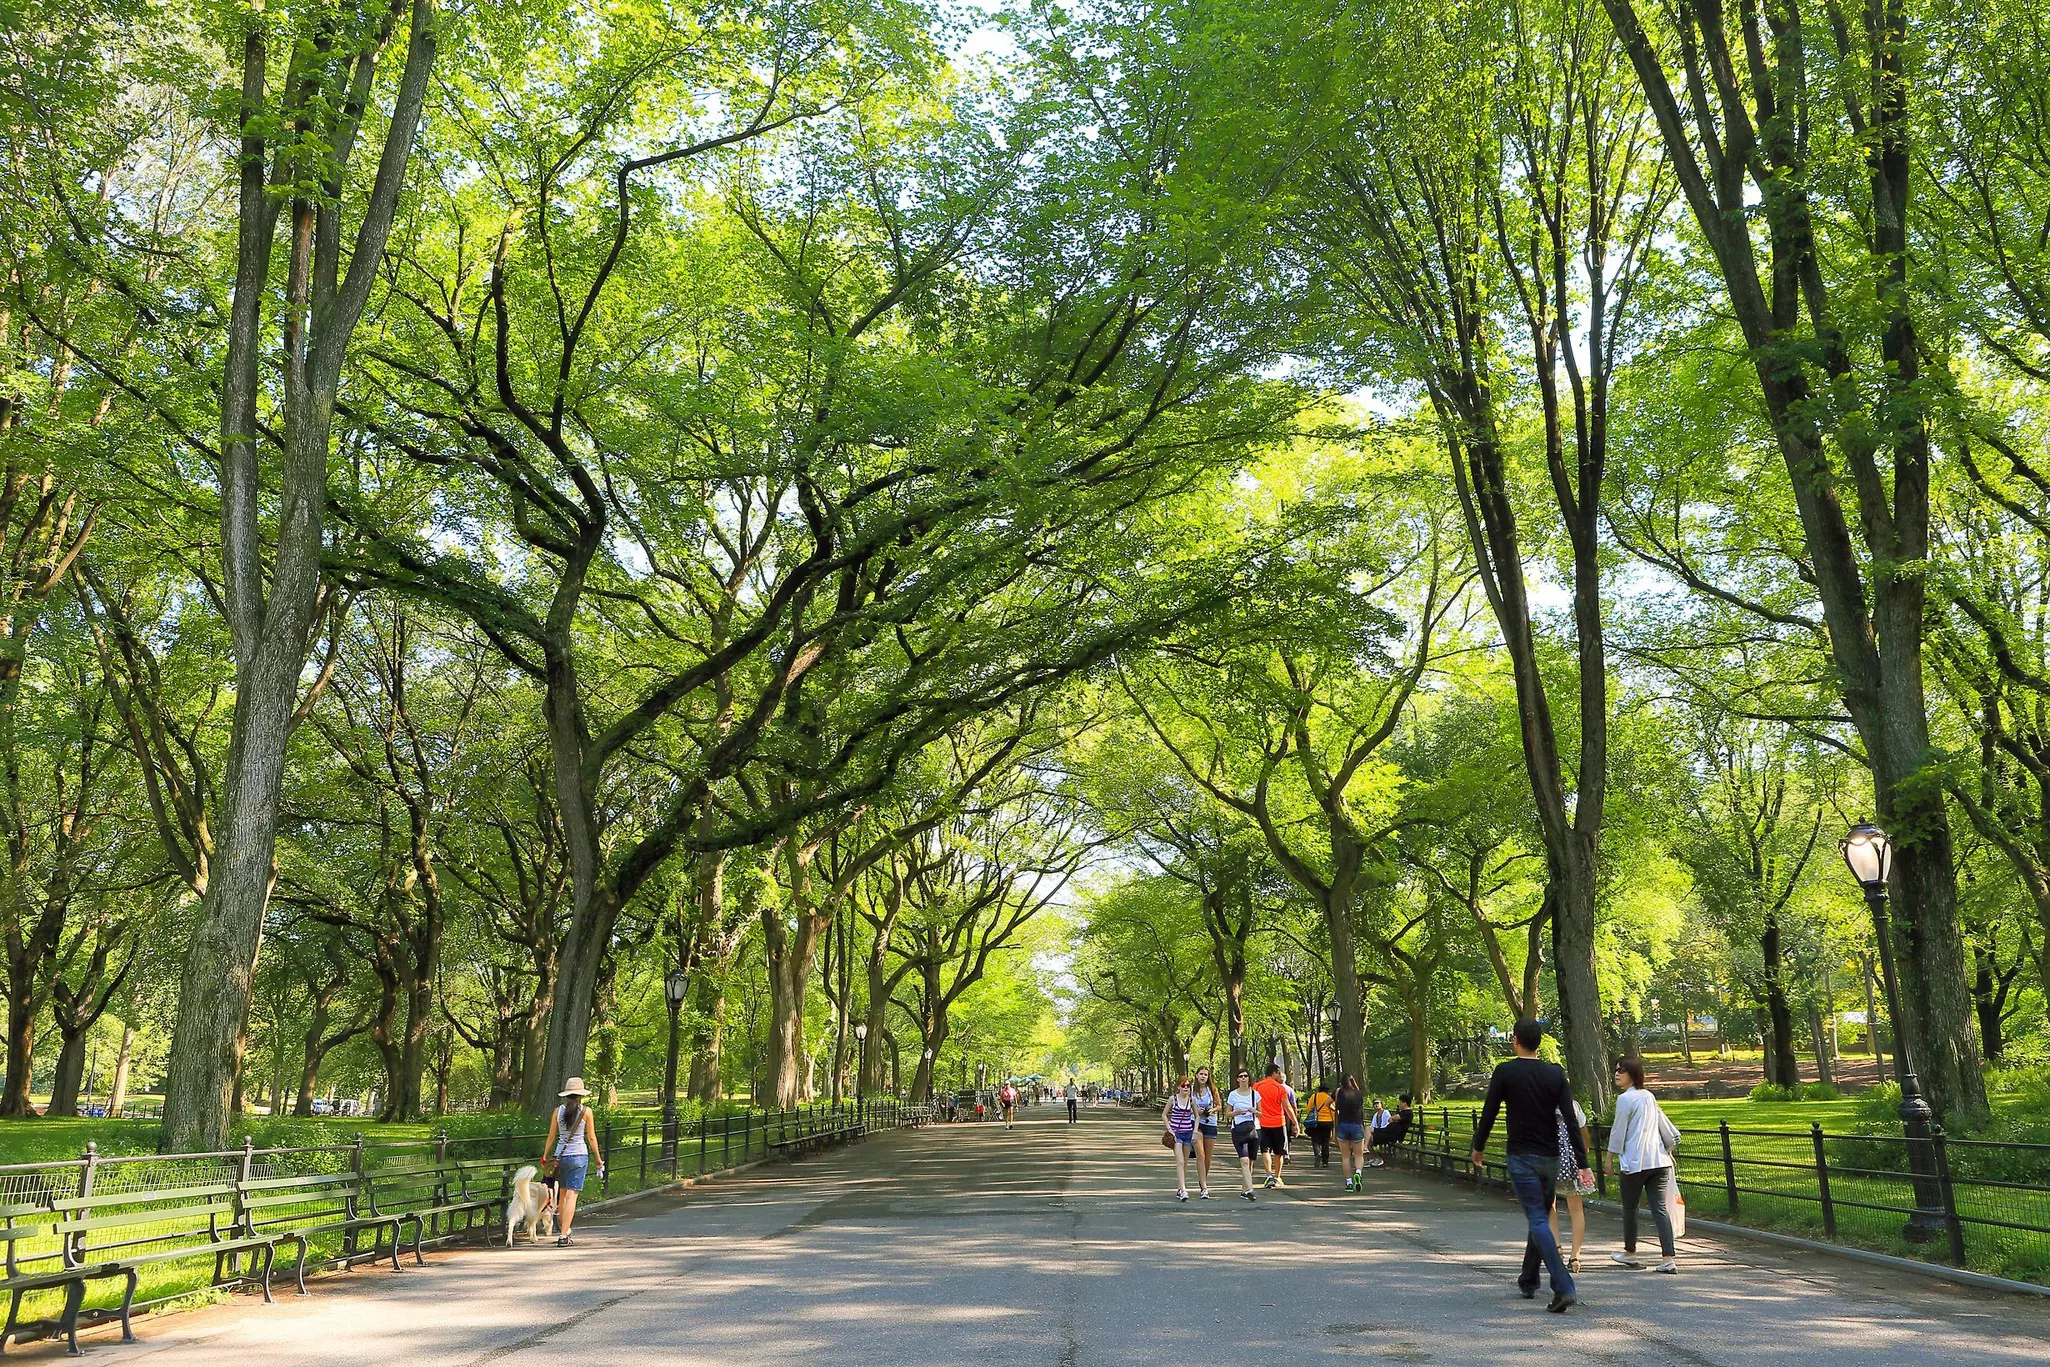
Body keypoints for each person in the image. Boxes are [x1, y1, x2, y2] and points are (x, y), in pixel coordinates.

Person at [1469, 1020, 1591, 1313]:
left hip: (1522, 1156)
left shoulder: (1506, 1072)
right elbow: (1571, 1121)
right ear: (1539, 1042)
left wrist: (1478, 1146)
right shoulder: (1554, 1073)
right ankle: (1529, 1278)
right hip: (1551, 1157)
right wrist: (1583, 1163)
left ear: (1515, 1041)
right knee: (1538, 1214)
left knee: (1537, 1218)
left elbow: (1489, 1111)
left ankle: (1563, 1286)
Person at [1607, 1056, 1680, 1274]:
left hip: (1635, 1162)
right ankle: (1668, 1258)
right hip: (1659, 1161)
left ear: (1633, 1074)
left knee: (1630, 1208)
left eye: (1622, 1070)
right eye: (1616, 1070)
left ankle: (1630, 1253)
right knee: (1660, 1209)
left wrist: (1609, 1158)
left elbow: (1619, 1131)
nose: (1617, 1074)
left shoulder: (1625, 1100)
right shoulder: (1648, 1096)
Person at [541, 1076, 604, 1248]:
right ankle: (563, 1235)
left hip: (560, 1158)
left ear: (567, 1095)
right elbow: (591, 1137)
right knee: (571, 1197)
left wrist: (545, 1156)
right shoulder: (586, 1112)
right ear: (581, 1095)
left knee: (562, 1196)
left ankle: (565, 1229)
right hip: (579, 1156)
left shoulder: (557, 1111)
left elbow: (551, 1136)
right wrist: (598, 1159)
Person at [1550, 1095, 1593, 1272]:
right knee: (1576, 1208)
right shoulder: (1573, 1105)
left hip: (1549, 1158)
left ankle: (1557, 1246)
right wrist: (1582, 1157)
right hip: (1571, 1160)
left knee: (1548, 1204)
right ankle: (1575, 1255)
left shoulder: (1540, 1103)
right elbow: (1585, 1136)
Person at [1251, 1062, 1299, 1189]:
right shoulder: (1280, 1088)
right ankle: (1277, 1177)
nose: (1280, 1075)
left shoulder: (1257, 1086)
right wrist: (1295, 1123)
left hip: (1262, 1123)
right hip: (1278, 1123)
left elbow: (1252, 1103)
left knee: (1265, 1150)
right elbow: (1287, 1107)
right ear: (1274, 1073)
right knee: (1279, 1152)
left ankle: (1268, 1176)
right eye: (1278, 1073)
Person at [1225, 1067, 1261, 1200]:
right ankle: (1250, 1190)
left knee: (1250, 1161)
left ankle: (1244, 1190)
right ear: (1237, 1079)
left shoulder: (1255, 1094)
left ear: (1249, 1078)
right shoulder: (1233, 1095)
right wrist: (1237, 1112)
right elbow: (1227, 1114)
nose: (1243, 1078)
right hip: (1238, 1130)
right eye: (1240, 1076)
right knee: (1244, 1160)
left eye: (1245, 1076)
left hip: (1253, 1129)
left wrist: (1254, 1111)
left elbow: (1261, 1113)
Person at [1163, 1076, 1198, 1201]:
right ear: (1178, 1087)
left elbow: (1197, 1116)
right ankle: (1183, 1190)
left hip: (1188, 1133)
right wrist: (1169, 1129)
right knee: (1180, 1162)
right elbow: (1164, 1114)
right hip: (1176, 1134)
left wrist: (1195, 1131)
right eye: (1183, 1086)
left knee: (1185, 1163)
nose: (1186, 1088)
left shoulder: (1191, 1100)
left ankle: (1179, 1188)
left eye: (1188, 1086)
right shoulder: (1173, 1099)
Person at [1189, 1066, 1221, 1197]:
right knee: (1200, 1155)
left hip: (1210, 1123)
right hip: (1195, 1123)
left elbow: (1219, 1105)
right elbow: (1184, 1106)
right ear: (1196, 1075)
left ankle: (1203, 1180)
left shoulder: (1212, 1090)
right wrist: (1195, 1110)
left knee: (1208, 1157)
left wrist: (1212, 1110)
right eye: (1201, 1074)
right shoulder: (1190, 1089)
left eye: (1205, 1075)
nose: (1203, 1076)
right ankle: (1204, 1188)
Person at [1333, 1074, 1368, 1190]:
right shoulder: (1358, 1094)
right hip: (1356, 1126)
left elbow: (1327, 1104)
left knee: (1345, 1157)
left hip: (1342, 1126)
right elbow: (1360, 1105)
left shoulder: (1339, 1093)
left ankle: (1349, 1183)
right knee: (1359, 1155)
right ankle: (1358, 1172)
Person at [1303, 1078, 1336, 1168]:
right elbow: (1334, 1111)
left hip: (1316, 1122)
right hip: (1328, 1122)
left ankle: (1317, 1154)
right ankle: (1325, 1162)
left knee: (1315, 1141)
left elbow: (1309, 1109)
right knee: (1325, 1142)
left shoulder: (1314, 1096)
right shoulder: (1329, 1098)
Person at [1365, 1097, 1391, 1167]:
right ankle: (1375, 1158)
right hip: (1377, 1132)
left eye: (1377, 1103)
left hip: (1384, 1132)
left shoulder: (1386, 1112)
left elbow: (1387, 1124)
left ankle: (1365, 1148)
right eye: (1374, 1104)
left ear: (1381, 1104)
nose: (1376, 1105)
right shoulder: (1375, 1115)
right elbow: (1373, 1125)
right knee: (1369, 1141)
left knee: (1367, 1129)